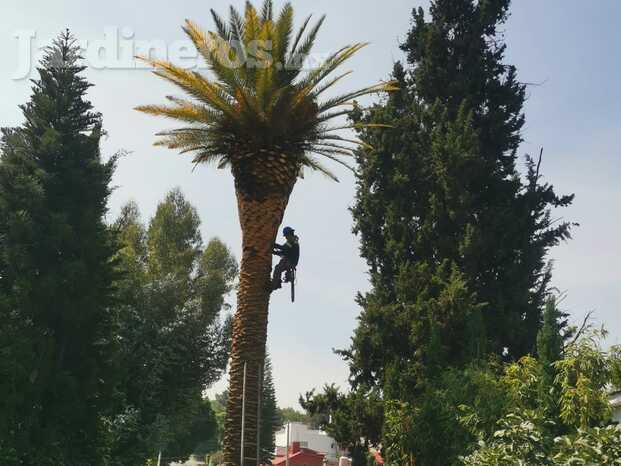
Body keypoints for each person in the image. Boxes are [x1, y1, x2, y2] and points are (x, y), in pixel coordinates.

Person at [272, 226, 299, 290]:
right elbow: (284, 251)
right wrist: (274, 252)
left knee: (278, 268)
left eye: (286, 236)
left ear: (289, 234)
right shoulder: (293, 240)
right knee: (280, 265)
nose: (286, 237)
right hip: (291, 260)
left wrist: (274, 245)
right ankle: (287, 276)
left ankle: (275, 284)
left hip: (290, 261)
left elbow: (284, 248)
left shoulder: (292, 240)